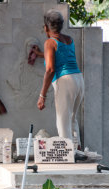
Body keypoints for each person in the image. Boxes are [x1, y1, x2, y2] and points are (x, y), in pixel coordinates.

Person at [32, 9, 85, 147]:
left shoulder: (49, 42)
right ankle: (77, 150)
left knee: (62, 122)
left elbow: (50, 69)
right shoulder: (68, 39)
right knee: (72, 119)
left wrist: (42, 95)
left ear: (46, 27)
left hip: (65, 81)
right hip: (78, 79)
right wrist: (40, 54)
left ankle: (67, 157)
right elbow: (59, 55)